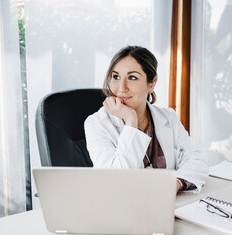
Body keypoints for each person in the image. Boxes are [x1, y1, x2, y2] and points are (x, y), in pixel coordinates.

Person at [84, 46, 208, 193]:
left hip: (166, 204)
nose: (121, 87)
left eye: (132, 77)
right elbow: (118, 181)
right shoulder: (97, 124)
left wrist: (177, 183)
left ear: (152, 84)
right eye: (116, 76)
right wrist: (131, 121)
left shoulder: (168, 117)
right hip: (121, 208)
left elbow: (196, 160)